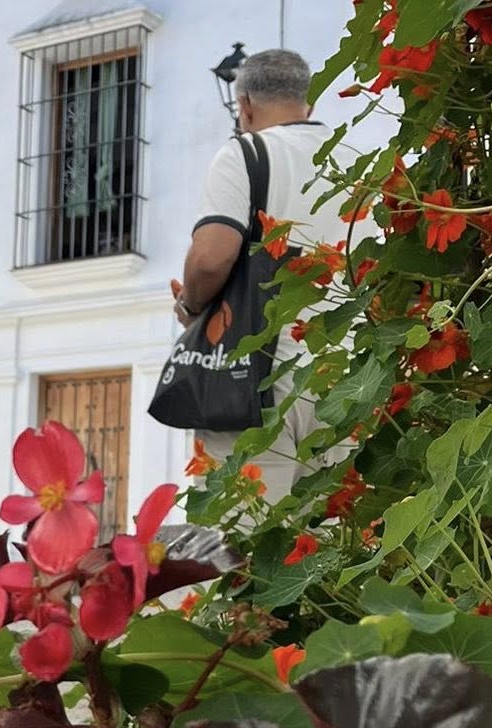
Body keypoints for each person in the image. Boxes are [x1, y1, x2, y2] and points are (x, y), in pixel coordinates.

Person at [174, 49, 365, 503]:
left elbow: (210, 257)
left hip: (258, 380)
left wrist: (192, 306)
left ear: (244, 105)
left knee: (243, 534)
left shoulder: (245, 153)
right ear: (308, 103)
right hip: (350, 378)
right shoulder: (358, 164)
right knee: (336, 534)